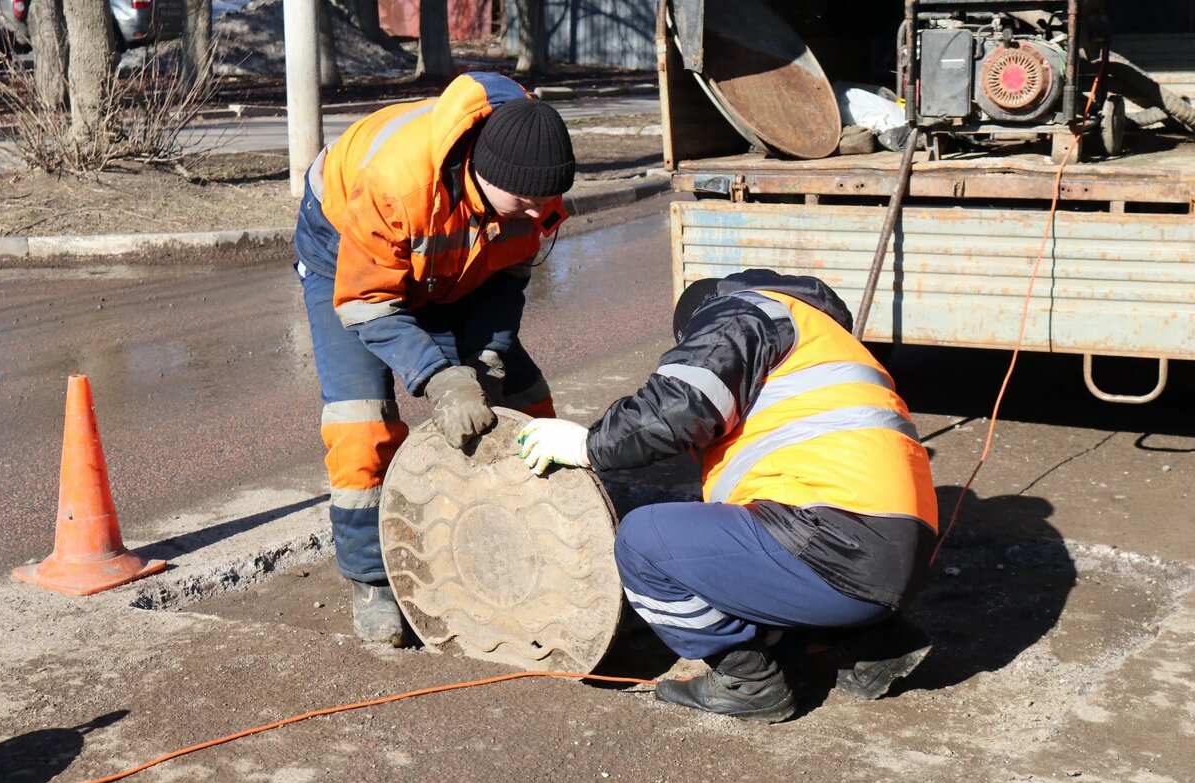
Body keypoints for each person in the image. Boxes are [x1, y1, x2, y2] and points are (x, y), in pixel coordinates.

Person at [517, 269, 938, 722]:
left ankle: (748, 683)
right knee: (734, 540)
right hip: (899, 560)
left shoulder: (741, 314)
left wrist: (587, 445)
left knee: (645, 541)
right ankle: (876, 642)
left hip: (834, 548)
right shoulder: (824, 339)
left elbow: (676, 407)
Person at [294, 72, 575, 643]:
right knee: (360, 423)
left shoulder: (530, 185)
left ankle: (546, 522)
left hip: (453, 255)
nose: (538, 212)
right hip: (348, 256)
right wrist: (440, 378)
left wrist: (487, 355)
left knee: (523, 396)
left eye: (545, 202)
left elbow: (508, 278)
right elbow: (369, 300)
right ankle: (372, 578)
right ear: (482, 174)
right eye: (525, 202)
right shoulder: (395, 184)